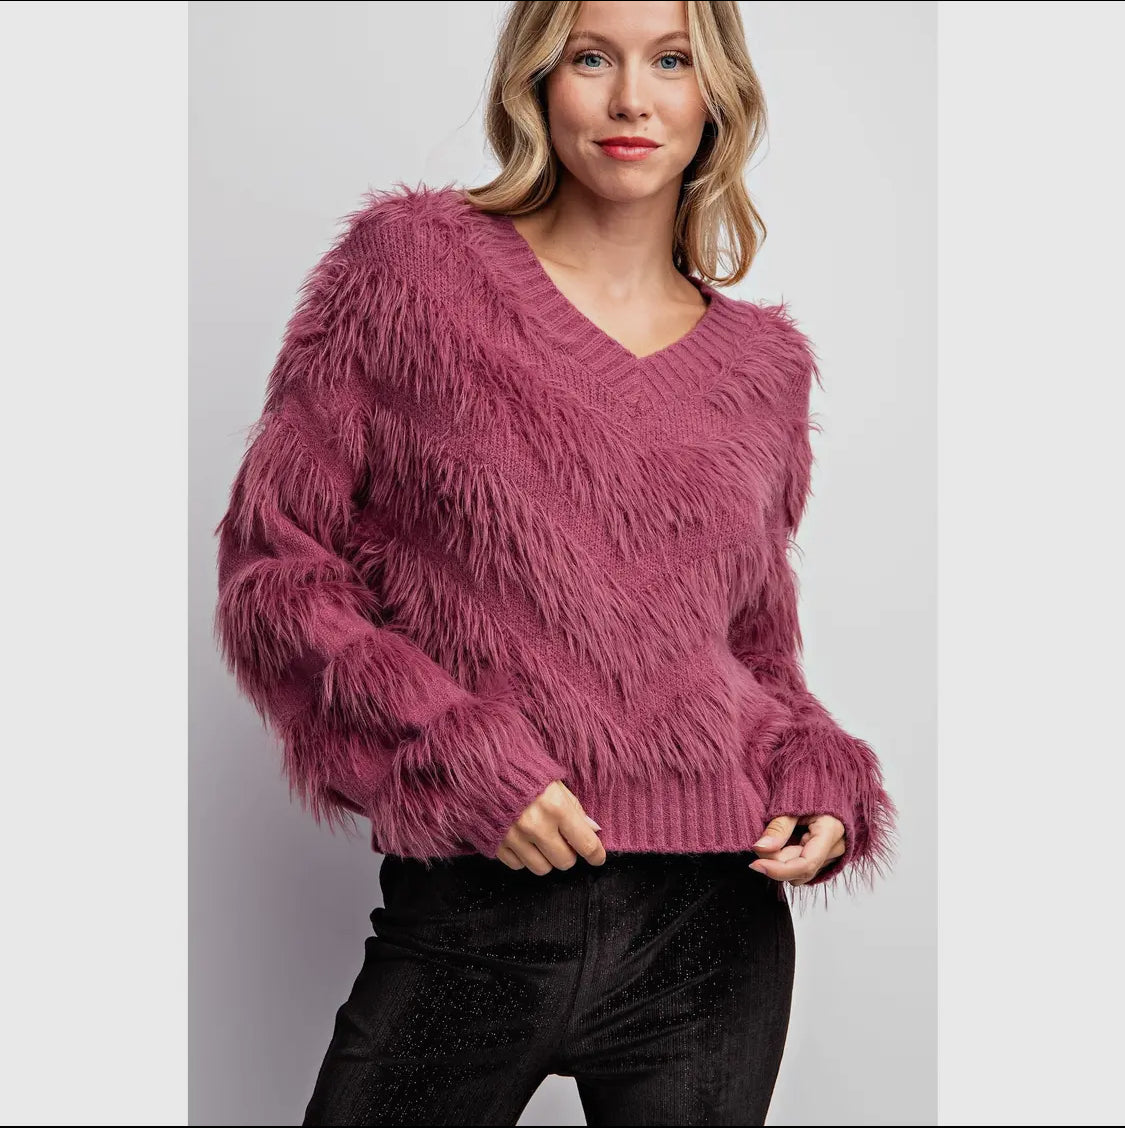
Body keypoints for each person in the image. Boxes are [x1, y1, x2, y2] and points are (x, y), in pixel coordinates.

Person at [212, 1, 898, 1124]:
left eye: (670, 60)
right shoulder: (412, 272)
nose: (631, 99)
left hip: (711, 933)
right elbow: (275, 574)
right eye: (591, 58)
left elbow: (752, 650)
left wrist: (816, 772)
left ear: (716, 93)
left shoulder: (764, 368)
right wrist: (449, 752)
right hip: (476, 912)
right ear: (537, 79)